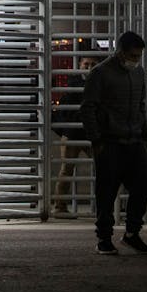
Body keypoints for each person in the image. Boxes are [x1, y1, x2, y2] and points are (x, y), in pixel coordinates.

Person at [80, 31, 147, 254]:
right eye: (132, 55)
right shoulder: (100, 73)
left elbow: (141, 107)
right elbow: (87, 108)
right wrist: (96, 140)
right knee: (106, 193)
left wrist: (144, 138)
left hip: (134, 141)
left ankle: (132, 233)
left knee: (143, 186)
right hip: (109, 143)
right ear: (120, 52)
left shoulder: (139, 73)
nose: (136, 60)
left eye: (139, 56)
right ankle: (104, 238)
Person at [51, 54, 100, 214]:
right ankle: (59, 207)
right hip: (73, 134)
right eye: (86, 64)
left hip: (91, 134)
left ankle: (104, 205)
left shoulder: (97, 83)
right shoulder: (74, 83)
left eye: (93, 64)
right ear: (80, 64)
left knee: (104, 168)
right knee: (66, 170)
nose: (89, 67)